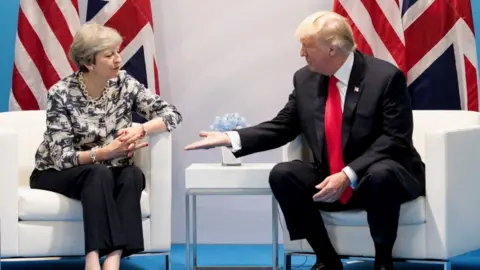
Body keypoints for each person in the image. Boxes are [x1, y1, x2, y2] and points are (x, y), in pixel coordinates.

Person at [184, 11, 425, 270]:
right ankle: (327, 259)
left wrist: (347, 174)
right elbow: (283, 126)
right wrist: (229, 137)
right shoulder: (305, 79)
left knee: (381, 173)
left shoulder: (385, 77)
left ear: (332, 48)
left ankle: (383, 261)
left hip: (381, 175)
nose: (301, 52)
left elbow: (394, 139)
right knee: (284, 174)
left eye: (307, 46)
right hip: (330, 175)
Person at [30, 23, 182, 270]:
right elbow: (61, 157)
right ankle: (92, 258)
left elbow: (172, 114)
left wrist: (141, 129)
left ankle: (113, 259)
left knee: (132, 174)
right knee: (98, 171)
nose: (118, 59)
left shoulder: (124, 84)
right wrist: (104, 153)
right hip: (57, 172)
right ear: (89, 63)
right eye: (109, 55)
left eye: (117, 52)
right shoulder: (61, 93)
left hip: (107, 168)